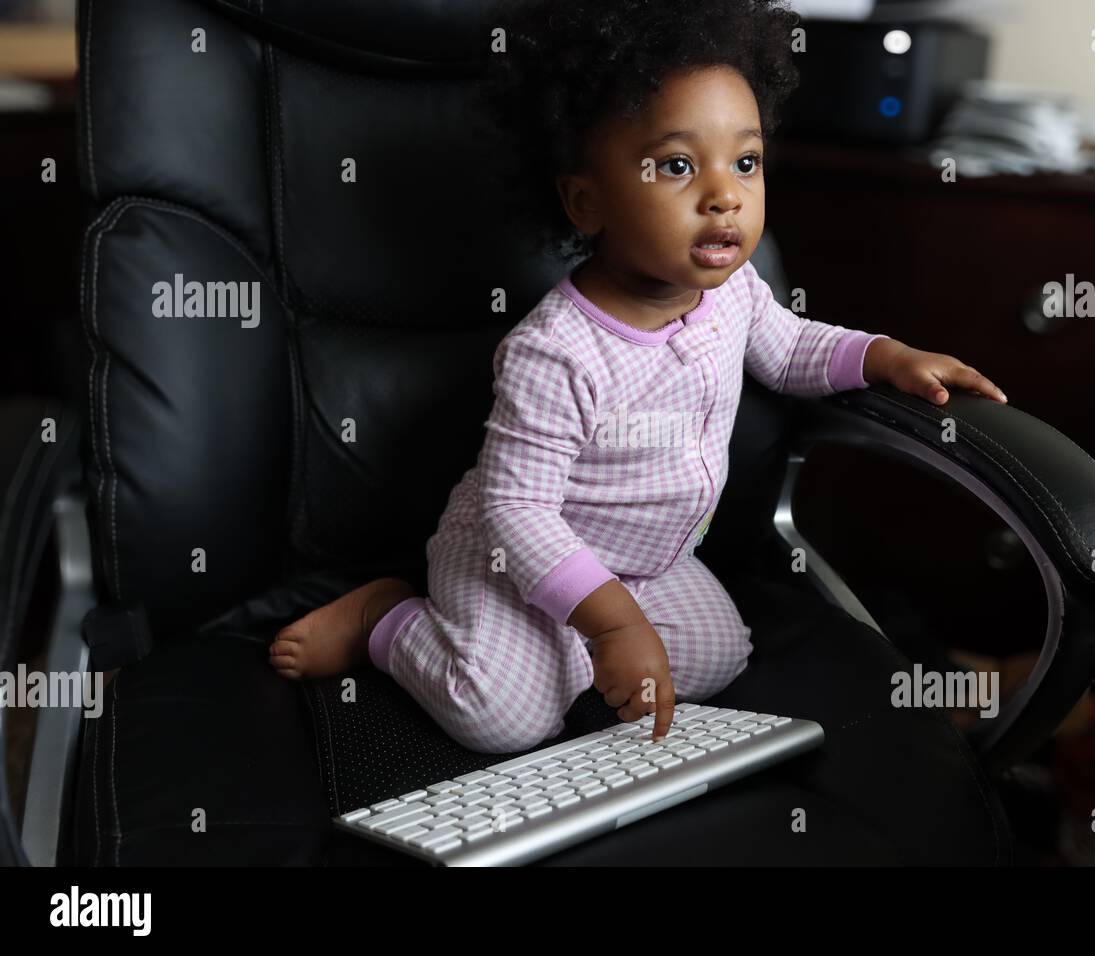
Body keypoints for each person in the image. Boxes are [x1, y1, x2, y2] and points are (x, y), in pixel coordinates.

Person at [268, 0, 1007, 757]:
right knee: (499, 717)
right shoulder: (557, 350)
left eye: (745, 162)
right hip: (512, 557)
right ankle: (389, 621)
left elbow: (789, 349)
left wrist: (886, 356)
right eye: (678, 165)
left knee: (720, 654)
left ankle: (567, 655)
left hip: (647, 563)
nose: (724, 194)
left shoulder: (734, 290)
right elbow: (517, 510)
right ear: (586, 201)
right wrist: (614, 624)